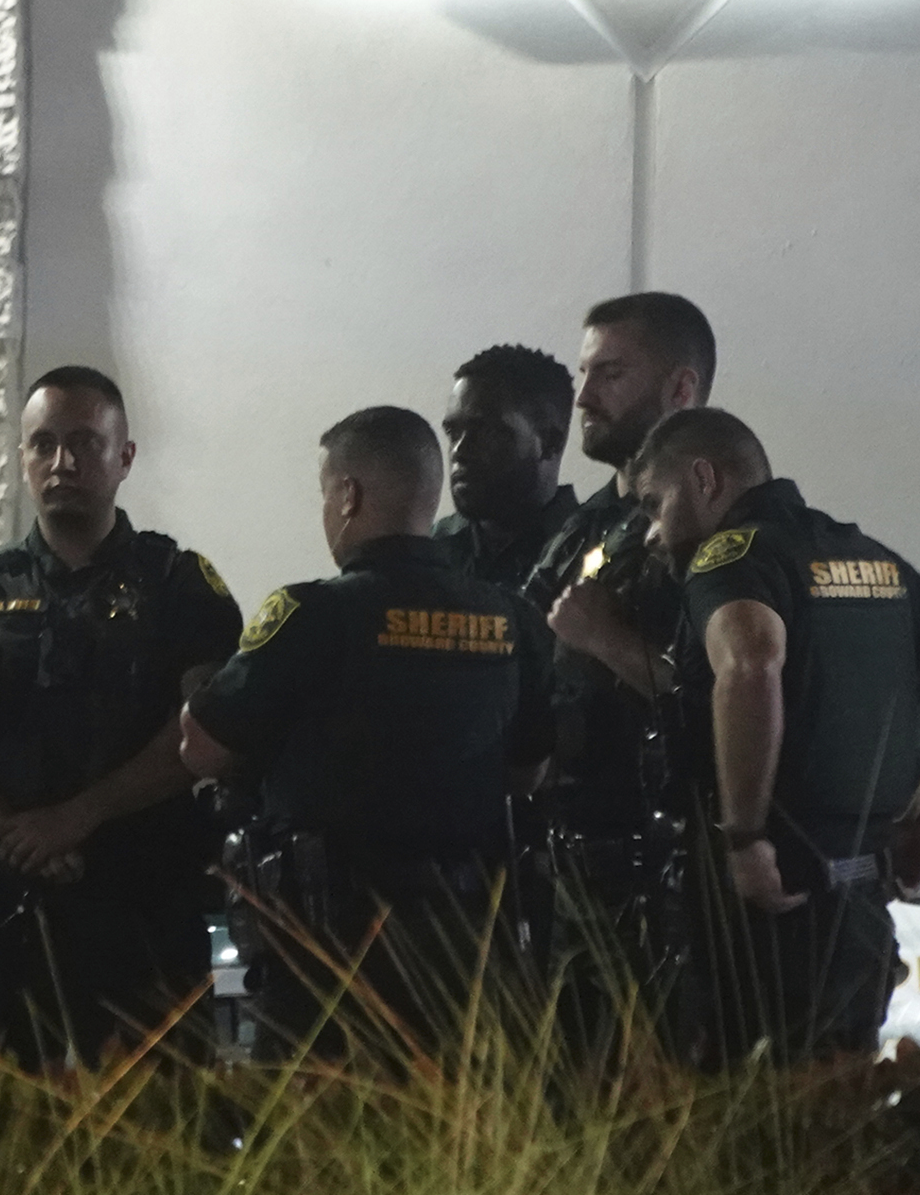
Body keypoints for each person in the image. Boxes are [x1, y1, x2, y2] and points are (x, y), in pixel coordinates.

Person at [549, 409, 920, 1064]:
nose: (654, 534)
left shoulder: (731, 556)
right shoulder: (869, 559)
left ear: (704, 478)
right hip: (857, 904)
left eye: (656, 506)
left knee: (750, 1133)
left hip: (767, 911)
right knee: (833, 1117)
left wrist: (745, 838)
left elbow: (750, 664)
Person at [0, 365, 243, 1064]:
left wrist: (80, 816)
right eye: (43, 444)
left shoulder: (181, 585)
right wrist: (7, 827)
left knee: (156, 1138)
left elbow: (203, 735)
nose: (63, 462)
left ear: (125, 457)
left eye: (84, 443)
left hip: (138, 912)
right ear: (22, 457)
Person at [178, 406, 554, 1060]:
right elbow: (527, 771)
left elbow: (203, 747)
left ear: (348, 495)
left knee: (309, 1135)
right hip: (458, 943)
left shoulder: (314, 612)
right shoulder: (508, 619)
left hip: (327, 943)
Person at [514, 291, 715, 1040]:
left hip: (665, 883)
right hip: (564, 876)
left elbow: (725, 698)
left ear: (681, 389)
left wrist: (605, 640)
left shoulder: (721, 530)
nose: (584, 397)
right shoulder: (583, 528)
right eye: (583, 372)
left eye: (611, 375)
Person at [432, 344, 581, 595]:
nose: (459, 450)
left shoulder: (591, 549)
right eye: (453, 433)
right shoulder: (430, 552)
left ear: (549, 442)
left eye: (487, 432)